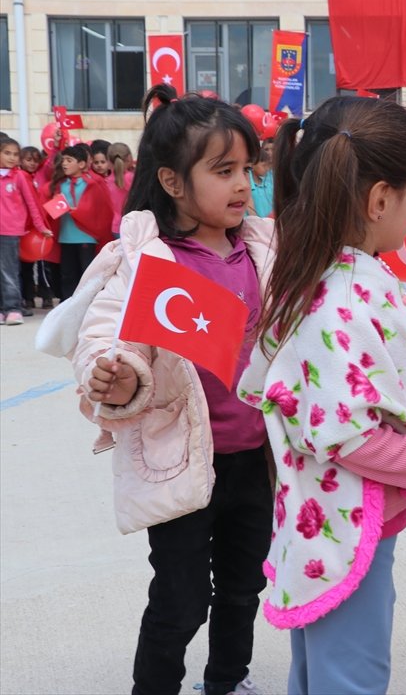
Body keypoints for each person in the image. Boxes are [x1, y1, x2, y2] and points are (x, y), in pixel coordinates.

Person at [237, 96, 406, 695]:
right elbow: (348, 434)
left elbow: (395, 354)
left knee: (321, 670)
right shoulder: (340, 297)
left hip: (330, 518)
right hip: (343, 522)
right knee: (350, 677)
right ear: (382, 199)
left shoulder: (325, 273)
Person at [64, 85, 272, 695]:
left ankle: (228, 679)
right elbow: (105, 335)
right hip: (178, 460)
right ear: (174, 182)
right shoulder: (144, 260)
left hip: (254, 458)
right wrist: (117, 371)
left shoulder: (263, 248)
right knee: (181, 599)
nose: (241, 184)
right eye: (222, 170)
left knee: (243, 586)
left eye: (247, 169)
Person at [47, 143, 113, 297]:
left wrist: (76, 211)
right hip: (66, 236)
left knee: (87, 273)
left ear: (82, 164)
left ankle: (89, 303)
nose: (64, 163)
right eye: (63, 160)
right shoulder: (61, 185)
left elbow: (100, 209)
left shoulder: (93, 183)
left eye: (69, 160)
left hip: (86, 236)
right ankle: (68, 305)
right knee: (68, 274)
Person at [0, 136, 53, 324]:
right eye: (7, 153)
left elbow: (32, 203)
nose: (12, 158)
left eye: (15, 154)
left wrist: (41, 227)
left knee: (9, 271)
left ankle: (13, 309)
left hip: (10, 232)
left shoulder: (20, 176)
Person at [106, 142, 136, 238]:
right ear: (129, 158)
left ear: (109, 161)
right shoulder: (132, 178)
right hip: (132, 225)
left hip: (115, 226)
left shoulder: (106, 181)